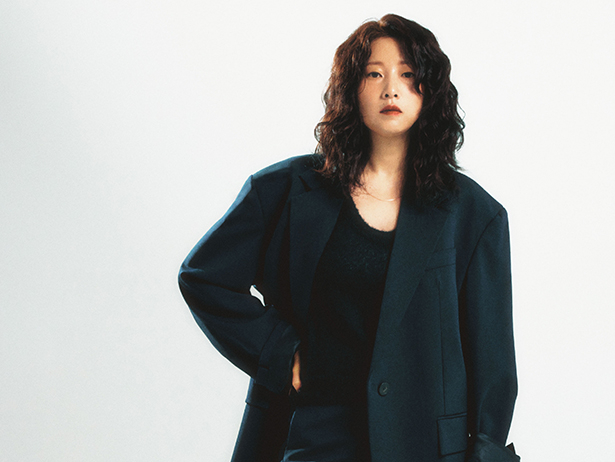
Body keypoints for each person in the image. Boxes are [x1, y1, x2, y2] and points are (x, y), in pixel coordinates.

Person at [179, 13, 519, 462]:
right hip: (308, 436)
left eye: (408, 74)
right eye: (374, 74)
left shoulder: (474, 215)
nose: (390, 89)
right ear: (350, 89)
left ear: (430, 90)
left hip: (424, 446)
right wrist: (279, 352)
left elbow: (493, 365)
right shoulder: (283, 190)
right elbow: (204, 276)